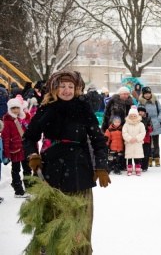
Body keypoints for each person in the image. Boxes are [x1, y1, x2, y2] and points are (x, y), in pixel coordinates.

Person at [22, 70, 111, 254]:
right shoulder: (45, 109)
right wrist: (33, 155)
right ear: (54, 88)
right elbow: (29, 138)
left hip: (80, 173)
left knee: (79, 226)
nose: (67, 90)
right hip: (50, 174)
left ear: (77, 89)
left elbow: (99, 140)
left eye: (71, 87)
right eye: (62, 86)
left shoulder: (84, 109)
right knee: (51, 223)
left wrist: (101, 167)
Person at [3, 98, 31, 198]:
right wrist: (6, 153)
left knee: (27, 168)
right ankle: (18, 190)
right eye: (13, 108)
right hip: (15, 149)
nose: (15, 110)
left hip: (24, 148)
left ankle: (29, 187)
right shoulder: (8, 121)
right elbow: (5, 137)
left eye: (17, 108)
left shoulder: (22, 119)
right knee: (16, 169)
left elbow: (27, 133)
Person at [138, 86, 161, 167]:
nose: (147, 95)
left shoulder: (155, 100)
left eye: (149, 93)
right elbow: (138, 112)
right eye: (145, 94)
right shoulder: (141, 102)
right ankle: (149, 158)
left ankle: (157, 158)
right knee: (147, 143)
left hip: (155, 123)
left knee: (156, 143)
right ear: (143, 94)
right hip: (146, 124)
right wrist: (143, 120)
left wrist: (158, 119)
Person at [122, 106, 146, 176]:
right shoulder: (126, 124)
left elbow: (142, 132)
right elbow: (124, 133)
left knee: (137, 157)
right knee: (129, 157)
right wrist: (129, 138)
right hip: (129, 143)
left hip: (137, 143)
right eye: (131, 116)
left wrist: (137, 138)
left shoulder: (141, 124)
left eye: (134, 116)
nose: (133, 117)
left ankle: (137, 170)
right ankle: (129, 170)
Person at [137, 104, 153, 172]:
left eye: (142, 111)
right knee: (138, 153)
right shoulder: (136, 118)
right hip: (138, 139)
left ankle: (145, 166)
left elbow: (152, 128)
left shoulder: (148, 118)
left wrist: (147, 129)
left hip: (146, 138)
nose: (140, 113)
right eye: (139, 111)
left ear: (145, 112)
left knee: (146, 153)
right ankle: (139, 164)